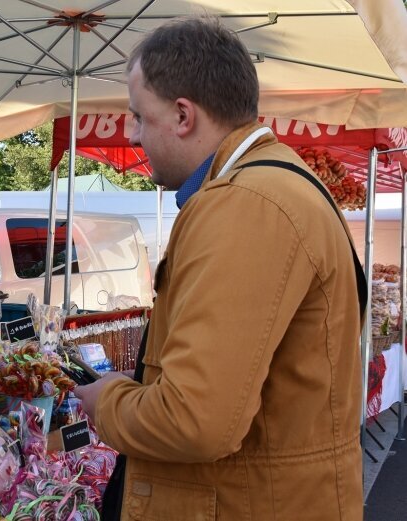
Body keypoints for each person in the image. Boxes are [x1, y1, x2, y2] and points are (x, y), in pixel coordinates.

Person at [74, 17, 364, 520]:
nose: (133, 133)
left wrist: (107, 403)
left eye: (139, 116)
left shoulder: (247, 204)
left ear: (184, 115)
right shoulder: (274, 187)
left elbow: (196, 419)